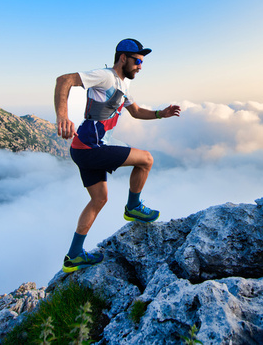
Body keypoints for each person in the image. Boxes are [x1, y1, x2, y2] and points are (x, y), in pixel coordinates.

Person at [54, 38, 181, 273]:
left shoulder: (124, 85)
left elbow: (136, 111)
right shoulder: (105, 76)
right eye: (137, 61)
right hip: (92, 146)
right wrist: (63, 115)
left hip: (83, 147)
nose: (140, 66)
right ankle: (133, 207)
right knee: (146, 159)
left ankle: (73, 256)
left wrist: (160, 114)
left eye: (142, 62)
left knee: (99, 199)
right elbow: (64, 80)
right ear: (123, 58)